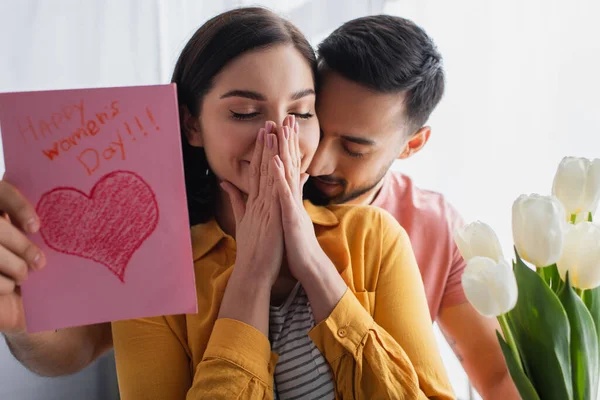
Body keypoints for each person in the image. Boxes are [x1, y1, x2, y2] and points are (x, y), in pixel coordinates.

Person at [1, 7, 454, 400]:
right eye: (244, 113)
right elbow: (69, 349)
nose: (279, 138)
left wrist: (313, 264)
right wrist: (252, 274)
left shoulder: (374, 238)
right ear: (191, 126)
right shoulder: (158, 271)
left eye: (300, 113)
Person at [304, 15, 519, 399]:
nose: (316, 163)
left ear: (412, 145)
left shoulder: (436, 228)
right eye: (314, 127)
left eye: (353, 149)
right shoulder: (248, 200)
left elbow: (498, 377)